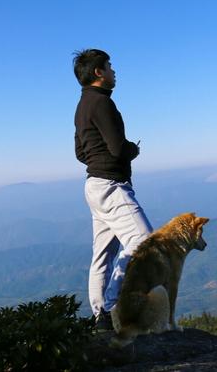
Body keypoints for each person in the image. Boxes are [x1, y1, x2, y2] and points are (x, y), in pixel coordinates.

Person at [73, 49, 153, 330]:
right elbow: (118, 149)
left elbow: (80, 154)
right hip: (111, 185)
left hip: (93, 185)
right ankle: (111, 306)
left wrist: (102, 158)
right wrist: (133, 149)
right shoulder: (102, 104)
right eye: (109, 66)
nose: (113, 71)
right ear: (98, 72)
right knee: (144, 240)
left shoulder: (82, 106)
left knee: (103, 254)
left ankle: (100, 317)